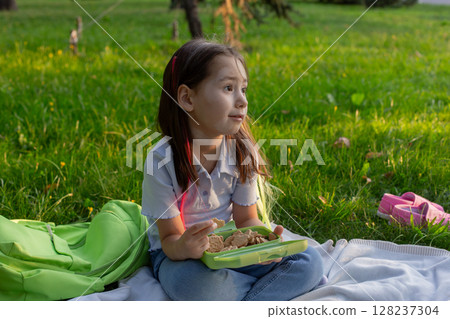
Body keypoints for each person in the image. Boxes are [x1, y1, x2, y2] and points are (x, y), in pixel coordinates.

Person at [141, 39, 324, 301]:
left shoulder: (242, 151)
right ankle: (252, 294)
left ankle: (238, 299)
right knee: (201, 288)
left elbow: (246, 219)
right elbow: (170, 240)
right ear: (187, 98)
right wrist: (185, 246)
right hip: (182, 257)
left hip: (231, 248)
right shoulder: (160, 161)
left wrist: (262, 244)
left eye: (244, 89)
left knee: (310, 262)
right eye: (228, 88)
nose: (242, 101)